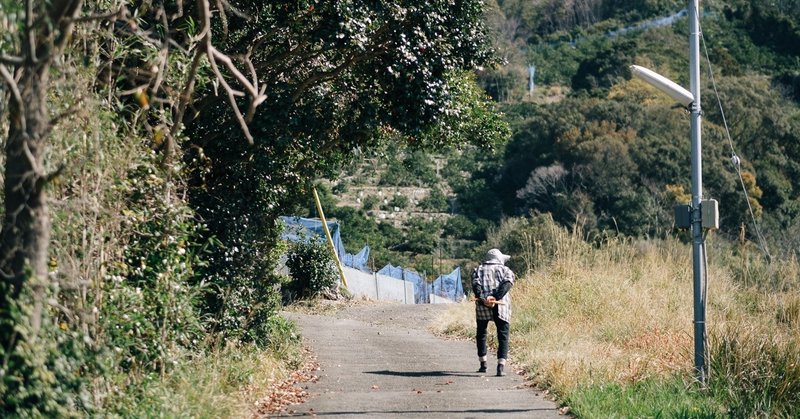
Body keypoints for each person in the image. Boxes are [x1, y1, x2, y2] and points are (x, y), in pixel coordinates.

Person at [472, 248, 515, 376]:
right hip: (501, 305)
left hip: (482, 304)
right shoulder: (505, 270)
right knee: (502, 335)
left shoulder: (478, 270)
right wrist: (495, 297)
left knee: (481, 333)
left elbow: (476, 286)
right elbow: (507, 284)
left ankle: (483, 364)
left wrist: (483, 298)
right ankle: (500, 367)